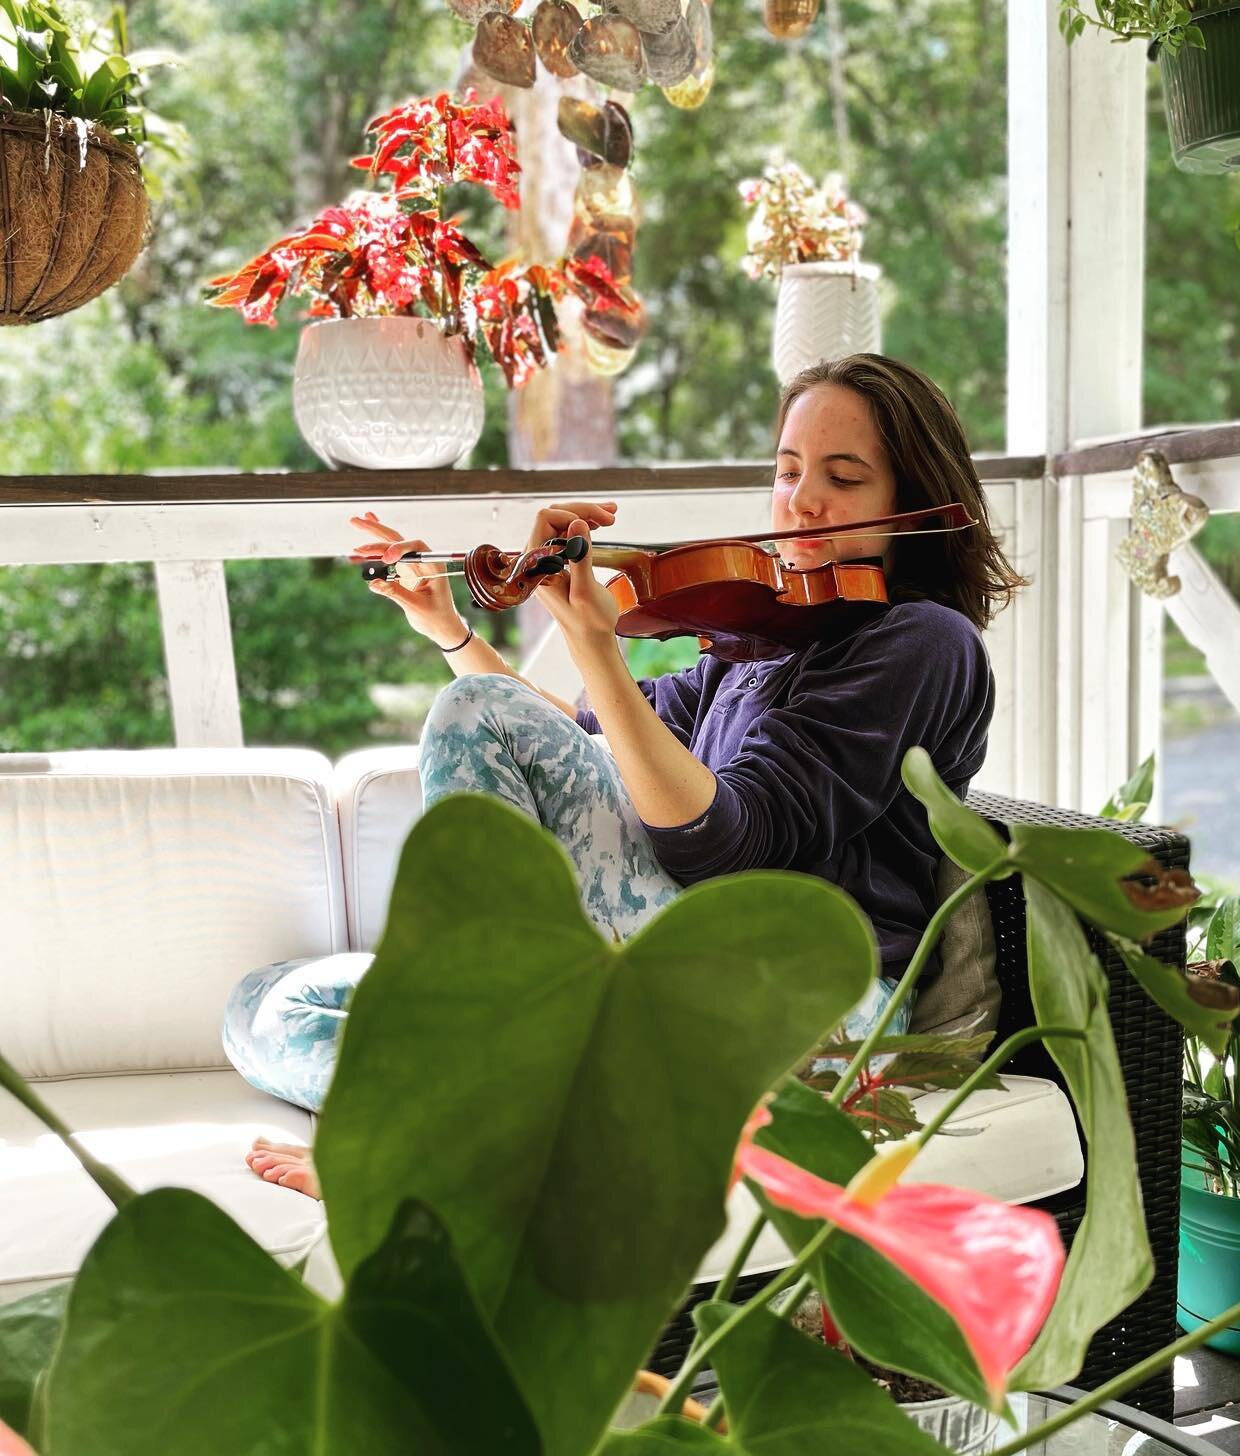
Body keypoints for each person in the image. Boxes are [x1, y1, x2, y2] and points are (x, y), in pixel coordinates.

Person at [232, 353, 1024, 1199]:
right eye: (789, 471)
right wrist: (452, 632)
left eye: (845, 476)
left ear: (914, 505)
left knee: (476, 714)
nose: (803, 502)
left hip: (816, 1008)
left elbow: (727, 846)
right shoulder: (755, 643)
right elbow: (578, 743)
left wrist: (594, 642)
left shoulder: (925, 643)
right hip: (674, 990)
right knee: (269, 1007)